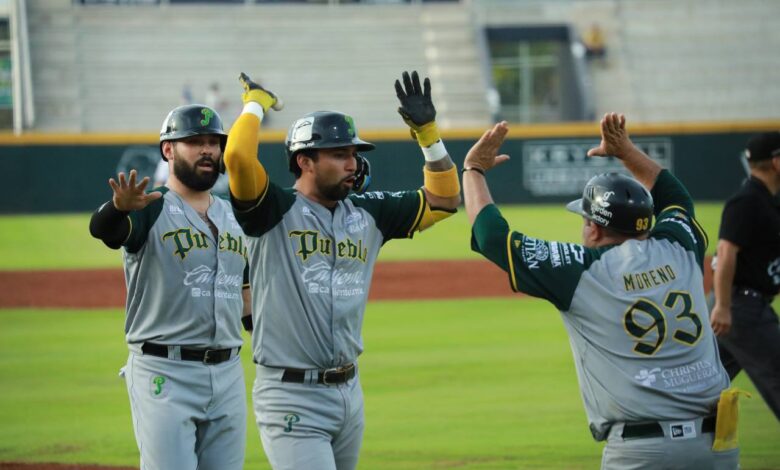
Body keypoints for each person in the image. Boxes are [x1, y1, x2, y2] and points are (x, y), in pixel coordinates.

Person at [463, 114, 737, 468]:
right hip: (717, 447)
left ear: (593, 229)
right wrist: (627, 151)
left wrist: (473, 170)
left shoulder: (581, 271)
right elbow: (676, 197)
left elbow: (492, 238)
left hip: (643, 451)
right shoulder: (680, 245)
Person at [223, 70, 461, 470]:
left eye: (354, 153)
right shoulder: (272, 210)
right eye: (339, 154)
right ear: (305, 161)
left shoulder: (368, 212)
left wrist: (428, 136)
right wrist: (256, 103)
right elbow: (237, 157)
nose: (353, 163)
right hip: (291, 395)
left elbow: (445, 199)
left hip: (349, 392)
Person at [88, 104, 251, 470]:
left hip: (227, 375)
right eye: (195, 141)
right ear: (168, 150)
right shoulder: (151, 207)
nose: (207, 149)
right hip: (166, 373)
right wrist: (118, 208)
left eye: (214, 142)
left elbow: (243, 289)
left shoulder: (231, 216)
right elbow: (104, 230)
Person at [710, 131, 780, 420]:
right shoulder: (747, 201)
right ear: (777, 162)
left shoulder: (769, 200)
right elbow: (726, 253)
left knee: (703, 386)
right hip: (741, 310)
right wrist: (723, 307)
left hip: (746, 307)